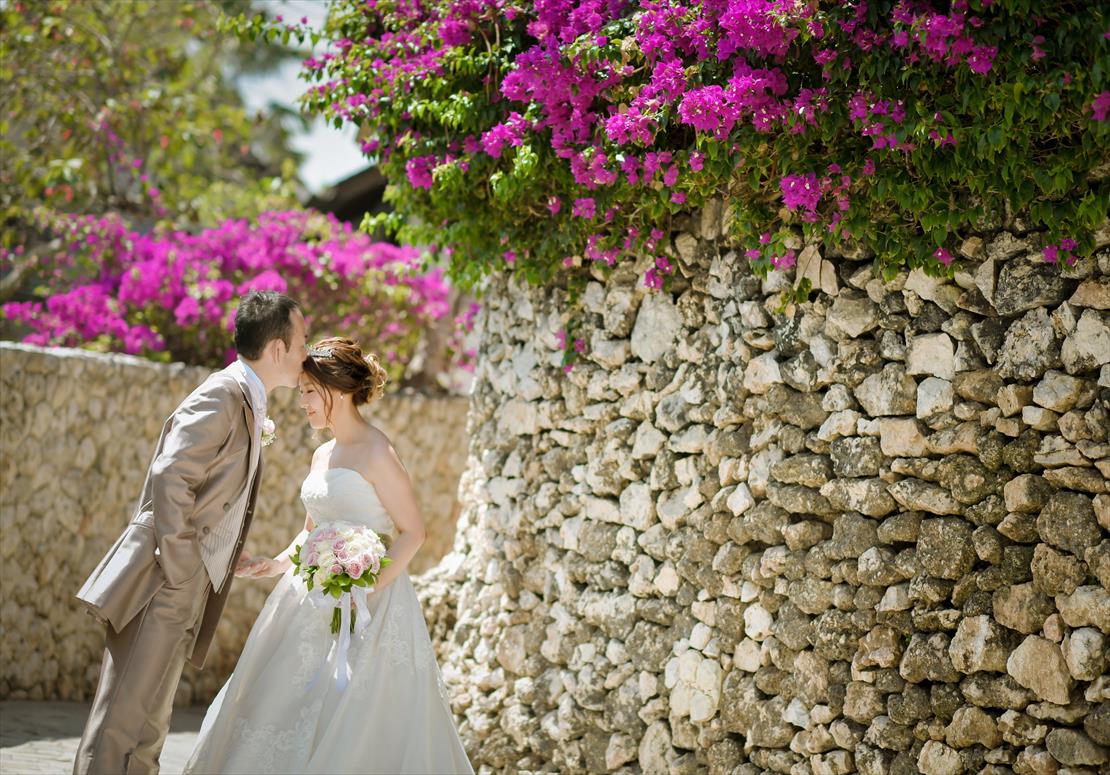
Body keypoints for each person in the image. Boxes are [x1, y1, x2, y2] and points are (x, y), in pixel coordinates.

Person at [184, 337, 473, 775]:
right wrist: (278, 563)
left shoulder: (378, 452)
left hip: (372, 606)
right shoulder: (322, 453)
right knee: (279, 700)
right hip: (310, 598)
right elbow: (311, 530)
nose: (301, 403)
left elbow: (413, 532)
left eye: (307, 392)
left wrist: (370, 585)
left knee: (353, 713)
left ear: (335, 390)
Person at [73, 291, 307, 775]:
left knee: (149, 726)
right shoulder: (223, 393)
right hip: (164, 579)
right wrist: (181, 567)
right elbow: (171, 476)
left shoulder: (249, 398)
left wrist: (211, 565)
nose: (307, 352)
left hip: (187, 581)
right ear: (279, 348)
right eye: (302, 341)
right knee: (122, 718)